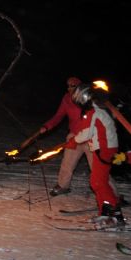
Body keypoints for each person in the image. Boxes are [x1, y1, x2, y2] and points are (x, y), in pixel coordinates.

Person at [38, 77, 118, 196]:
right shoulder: (66, 99)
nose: (69, 88)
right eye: (68, 86)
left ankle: (113, 195)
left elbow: (102, 116)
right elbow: (59, 115)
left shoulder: (88, 100)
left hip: (91, 138)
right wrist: (47, 126)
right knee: (67, 163)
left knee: (98, 168)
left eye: (73, 86)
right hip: (74, 135)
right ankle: (63, 185)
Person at [71, 84, 125, 227]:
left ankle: (116, 215)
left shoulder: (93, 112)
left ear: (83, 97)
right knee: (97, 181)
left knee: (98, 182)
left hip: (104, 149)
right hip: (102, 148)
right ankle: (105, 213)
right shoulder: (97, 110)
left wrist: (73, 140)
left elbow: (86, 133)